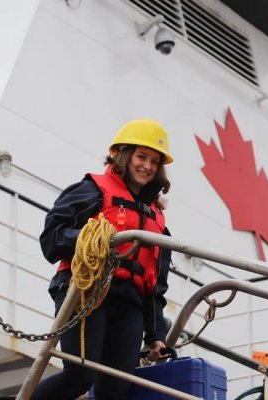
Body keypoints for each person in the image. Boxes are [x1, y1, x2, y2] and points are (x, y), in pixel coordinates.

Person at [32, 119, 174, 400]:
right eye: (141, 156)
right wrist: (96, 242)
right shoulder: (92, 191)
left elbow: (156, 286)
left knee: (116, 390)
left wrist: (156, 335)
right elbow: (52, 238)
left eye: (154, 161)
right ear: (124, 155)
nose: (147, 166)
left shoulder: (158, 222)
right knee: (80, 376)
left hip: (129, 305)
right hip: (86, 291)